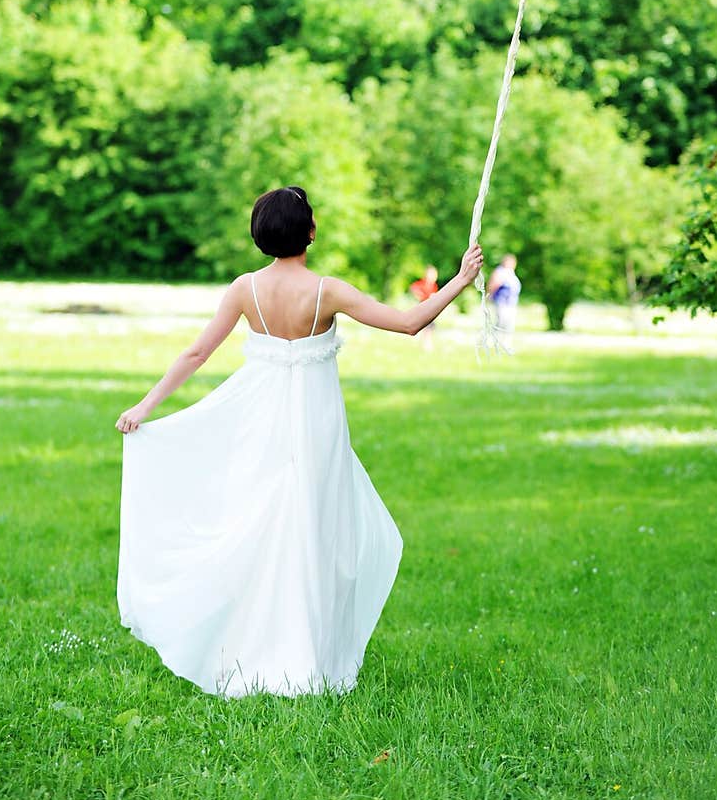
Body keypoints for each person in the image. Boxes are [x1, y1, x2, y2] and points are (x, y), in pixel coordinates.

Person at [115, 186, 483, 699]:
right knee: (314, 531)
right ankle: (305, 659)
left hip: (259, 421)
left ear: (260, 235)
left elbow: (197, 353)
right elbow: (409, 323)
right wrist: (461, 281)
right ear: (310, 232)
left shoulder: (245, 289)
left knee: (263, 525)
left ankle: (259, 648)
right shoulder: (326, 291)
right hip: (315, 426)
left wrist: (144, 407)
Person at [487, 253, 521, 351]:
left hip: (511, 302)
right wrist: (489, 295)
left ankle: (506, 344)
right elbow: (494, 284)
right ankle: (493, 342)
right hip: (502, 302)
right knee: (501, 322)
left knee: (509, 324)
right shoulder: (501, 272)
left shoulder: (510, 272)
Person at [409, 265, 439, 350]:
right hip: (423, 306)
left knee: (430, 326)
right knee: (425, 325)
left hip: (431, 308)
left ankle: (427, 343)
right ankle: (425, 344)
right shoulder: (423, 283)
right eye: (431, 274)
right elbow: (413, 288)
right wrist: (419, 295)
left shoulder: (434, 286)